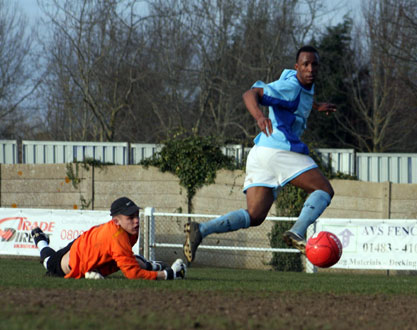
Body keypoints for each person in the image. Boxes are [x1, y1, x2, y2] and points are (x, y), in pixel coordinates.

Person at [184, 45, 336, 263]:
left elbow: (295, 102)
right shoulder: (291, 87)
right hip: (280, 149)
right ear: (297, 67)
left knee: (254, 215)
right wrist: (259, 117)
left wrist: (316, 105)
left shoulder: (301, 87)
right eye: (305, 64)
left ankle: (201, 230)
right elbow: (250, 94)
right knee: (324, 189)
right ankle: (298, 231)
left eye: (314, 64)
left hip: (260, 153)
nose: (310, 68)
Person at [31, 197, 186, 280]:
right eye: (130, 217)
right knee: (47, 260)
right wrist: (169, 275)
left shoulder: (127, 228)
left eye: (136, 215)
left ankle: (152, 265)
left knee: (128, 260)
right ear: (116, 221)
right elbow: (133, 274)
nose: (136, 220)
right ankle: (39, 238)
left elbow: (126, 260)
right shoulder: (118, 237)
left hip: (86, 242)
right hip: (72, 259)